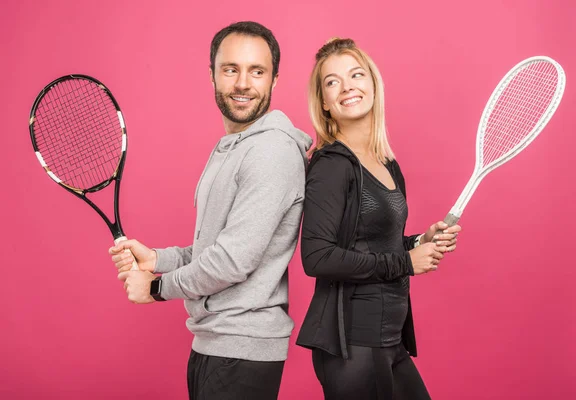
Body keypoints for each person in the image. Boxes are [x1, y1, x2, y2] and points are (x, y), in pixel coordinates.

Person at [108, 21, 312, 400]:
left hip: (243, 348)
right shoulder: (233, 147)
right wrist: (157, 258)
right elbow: (212, 248)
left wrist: (155, 288)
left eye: (257, 71)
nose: (242, 83)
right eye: (231, 69)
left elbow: (232, 261)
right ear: (212, 74)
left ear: (275, 80)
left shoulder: (270, 152)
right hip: (213, 343)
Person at [296, 38, 462, 400]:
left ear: (373, 83)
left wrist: (419, 242)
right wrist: (406, 262)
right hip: (352, 343)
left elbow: (372, 242)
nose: (348, 86)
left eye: (356, 74)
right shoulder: (331, 165)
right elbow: (317, 256)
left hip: (389, 340)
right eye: (333, 81)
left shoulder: (387, 164)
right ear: (324, 103)